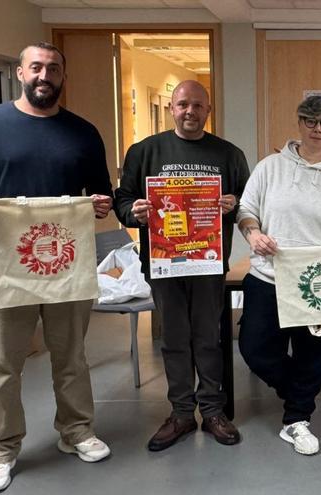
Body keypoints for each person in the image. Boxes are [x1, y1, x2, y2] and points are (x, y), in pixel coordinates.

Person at [0, 42, 113, 494]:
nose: (44, 75)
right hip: (2, 270)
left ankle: (77, 432)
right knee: (3, 367)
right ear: (22, 72)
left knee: (71, 360)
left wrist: (102, 204)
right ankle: (0, 450)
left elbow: (101, 191)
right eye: (36, 67)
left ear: (62, 76)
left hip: (67, 270)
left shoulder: (83, 132)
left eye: (53, 68)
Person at [114, 80, 249, 452]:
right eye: (183, 105)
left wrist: (231, 204)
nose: (190, 112)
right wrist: (134, 212)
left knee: (209, 336)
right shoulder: (144, 150)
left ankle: (213, 410)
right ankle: (181, 413)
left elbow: (248, 202)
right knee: (173, 338)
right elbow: (122, 199)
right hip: (163, 262)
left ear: (208, 110)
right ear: (172, 108)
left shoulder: (229, 154)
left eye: (198, 106)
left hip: (207, 261)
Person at [237, 96, 321, 456]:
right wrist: (253, 234)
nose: (318, 129)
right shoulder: (270, 167)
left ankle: (297, 420)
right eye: (310, 121)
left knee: (316, 353)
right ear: (299, 122)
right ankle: (298, 390)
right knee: (255, 348)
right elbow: (246, 210)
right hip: (269, 276)